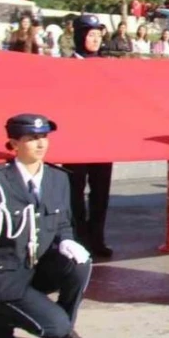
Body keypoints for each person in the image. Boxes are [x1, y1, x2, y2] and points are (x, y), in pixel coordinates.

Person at [0, 114, 92, 338]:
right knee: (53, 323)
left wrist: (67, 241)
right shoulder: (1, 180)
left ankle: (63, 331)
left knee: (79, 265)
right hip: (5, 273)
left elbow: (63, 223)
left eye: (44, 137)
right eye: (32, 138)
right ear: (14, 143)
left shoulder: (58, 178)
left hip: (37, 266)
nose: (41, 144)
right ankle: (4, 319)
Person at [66, 15, 115, 258]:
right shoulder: (64, 66)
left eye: (98, 35)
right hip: (75, 142)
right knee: (74, 192)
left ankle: (98, 238)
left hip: (102, 140)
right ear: (79, 36)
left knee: (101, 192)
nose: (95, 39)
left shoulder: (108, 67)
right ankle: (78, 238)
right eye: (90, 34)